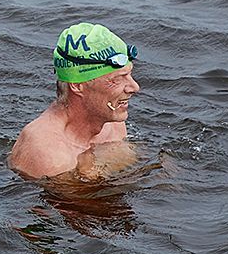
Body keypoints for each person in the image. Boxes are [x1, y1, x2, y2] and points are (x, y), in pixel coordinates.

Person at [9, 22, 140, 179]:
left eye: (129, 74)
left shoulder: (112, 120)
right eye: (117, 79)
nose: (134, 87)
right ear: (78, 86)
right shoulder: (49, 155)